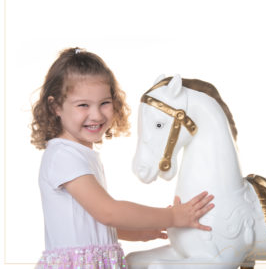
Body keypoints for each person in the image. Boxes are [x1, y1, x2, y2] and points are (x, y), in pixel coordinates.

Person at [32, 47, 214, 269]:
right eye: (83, 105)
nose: (97, 115)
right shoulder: (63, 156)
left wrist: (136, 231)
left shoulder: (80, 154)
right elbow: (108, 211)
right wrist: (172, 216)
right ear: (55, 106)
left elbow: (89, 223)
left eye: (104, 103)